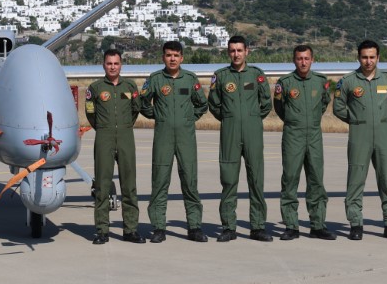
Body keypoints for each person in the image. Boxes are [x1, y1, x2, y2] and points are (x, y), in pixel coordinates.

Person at [332, 40, 387, 240]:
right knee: (356, 181)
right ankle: (356, 224)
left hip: (383, 136)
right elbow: (338, 107)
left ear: (378, 57)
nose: (368, 61)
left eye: (372, 57)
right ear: (359, 58)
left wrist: (386, 120)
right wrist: (356, 121)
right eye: (364, 57)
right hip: (359, 136)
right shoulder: (348, 81)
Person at [139, 41, 208, 242]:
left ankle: (194, 226)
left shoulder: (190, 79)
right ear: (163, 57)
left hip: (186, 138)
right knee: (160, 181)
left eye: (176, 55)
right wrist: (159, 116)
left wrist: (189, 119)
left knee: (190, 180)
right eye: (168, 55)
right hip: (163, 137)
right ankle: (159, 227)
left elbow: (202, 105)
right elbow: (143, 103)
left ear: (182, 58)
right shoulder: (155, 80)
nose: (172, 59)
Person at [208, 36, 272, 242]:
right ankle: (228, 227)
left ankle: (258, 226)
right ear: (228, 53)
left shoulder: (256, 75)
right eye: (232, 51)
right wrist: (229, 118)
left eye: (239, 50)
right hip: (230, 132)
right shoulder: (221, 76)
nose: (236, 54)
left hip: (253, 132)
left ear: (247, 52)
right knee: (228, 179)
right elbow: (214, 104)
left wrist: (252, 119)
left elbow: (266, 103)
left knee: (256, 179)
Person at [273, 45, 334, 240]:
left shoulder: (321, 82)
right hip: (293, 135)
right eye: (299, 58)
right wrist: (295, 120)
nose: (303, 62)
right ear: (294, 60)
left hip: (314, 135)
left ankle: (318, 225)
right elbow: (280, 107)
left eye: (306, 58)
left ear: (312, 59)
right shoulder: (285, 82)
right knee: (290, 179)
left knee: (316, 180)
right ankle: (291, 226)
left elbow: (324, 103)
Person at [87, 50, 145, 244]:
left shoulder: (130, 86)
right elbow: (90, 114)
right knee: (102, 185)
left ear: (121, 65)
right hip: (104, 136)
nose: (113, 66)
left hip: (126, 136)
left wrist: (125, 125)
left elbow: (136, 109)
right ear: (103, 65)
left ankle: (130, 230)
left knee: (129, 184)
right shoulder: (95, 88)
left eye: (116, 63)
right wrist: (104, 127)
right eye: (109, 63)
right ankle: (102, 230)